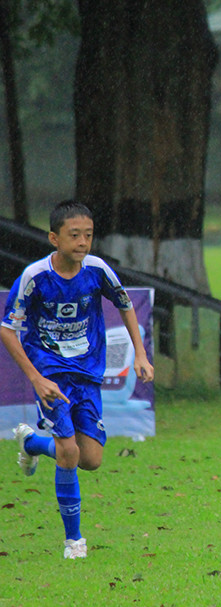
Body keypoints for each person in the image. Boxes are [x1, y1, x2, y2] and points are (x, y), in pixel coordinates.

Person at [2, 200, 154, 559]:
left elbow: (125, 304)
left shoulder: (97, 270)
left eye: (88, 235)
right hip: (51, 374)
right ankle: (74, 541)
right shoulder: (35, 277)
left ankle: (33, 444)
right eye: (74, 235)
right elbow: (8, 330)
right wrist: (36, 378)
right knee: (69, 453)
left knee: (91, 459)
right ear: (54, 238)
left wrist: (142, 355)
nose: (83, 242)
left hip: (87, 374)